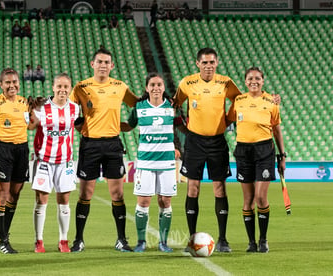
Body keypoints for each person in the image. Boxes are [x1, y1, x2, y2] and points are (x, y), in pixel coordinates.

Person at [174, 47, 281, 253]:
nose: (208, 66)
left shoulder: (226, 83)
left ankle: (223, 240)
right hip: (194, 141)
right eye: (204, 63)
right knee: (192, 188)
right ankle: (191, 238)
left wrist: (271, 99)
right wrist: (181, 130)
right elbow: (175, 105)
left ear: (217, 63)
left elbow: (246, 100)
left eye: (212, 62)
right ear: (197, 64)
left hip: (217, 142)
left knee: (219, 188)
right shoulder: (186, 83)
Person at [69, 47, 138, 252]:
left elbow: (138, 105)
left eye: (107, 62)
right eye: (99, 62)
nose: (103, 65)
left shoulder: (120, 86)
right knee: (85, 194)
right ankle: (78, 240)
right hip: (89, 144)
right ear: (92, 64)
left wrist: (130, 125)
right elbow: (68, 111)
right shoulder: (81, 87)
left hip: (113, 144)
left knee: (117, 194)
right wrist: (77, 125)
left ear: (112, 66)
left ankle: (121, 240)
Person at [226, 67, 286, 253]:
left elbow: (276, 130)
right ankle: (251, 242)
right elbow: (227, 121)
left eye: (258, 78)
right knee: (248, 200)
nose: (254, 81)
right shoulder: (238, 101)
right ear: (245, 82)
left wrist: (282, 156)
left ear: (263, 81)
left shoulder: (271, 101)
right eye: (250, 78)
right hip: (243, 151)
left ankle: (263, 240)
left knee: (261, 197)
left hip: (265, 150)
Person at [120, 73, 181, 253]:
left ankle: (164, 242)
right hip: (146, 161)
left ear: (163, 87)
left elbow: (180, 126)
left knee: (165, 201)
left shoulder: (172, 107)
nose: (156, 88)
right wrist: (109, 124)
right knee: (144, 201)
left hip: (167, 162)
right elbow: (129, 126)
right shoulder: (139, 107)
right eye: (152, 85)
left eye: (159, 85)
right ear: (147, 88)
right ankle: (141, 242)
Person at [28, 73, 80, 253]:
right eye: (59, 86)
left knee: (64, 201)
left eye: (66, 87)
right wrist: (28, 112)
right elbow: (29, 126)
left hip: (65, 162)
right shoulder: (41, 108)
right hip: (44, 161)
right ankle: (38, 240)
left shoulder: (75, 108)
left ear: (70, 88)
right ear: (52, 87)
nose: (62, 90)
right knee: (41, 200)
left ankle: (63, 240)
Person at [0, 68, 30, 254]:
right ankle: (2, 239)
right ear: (1, 85)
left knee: (15, 194)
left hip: (22, 149)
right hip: (3, 150)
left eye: (15, 82)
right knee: (2, 195)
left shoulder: (24, 102)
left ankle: (3, 233)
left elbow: (29, 124)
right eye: (8, 82)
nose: (12, 85)